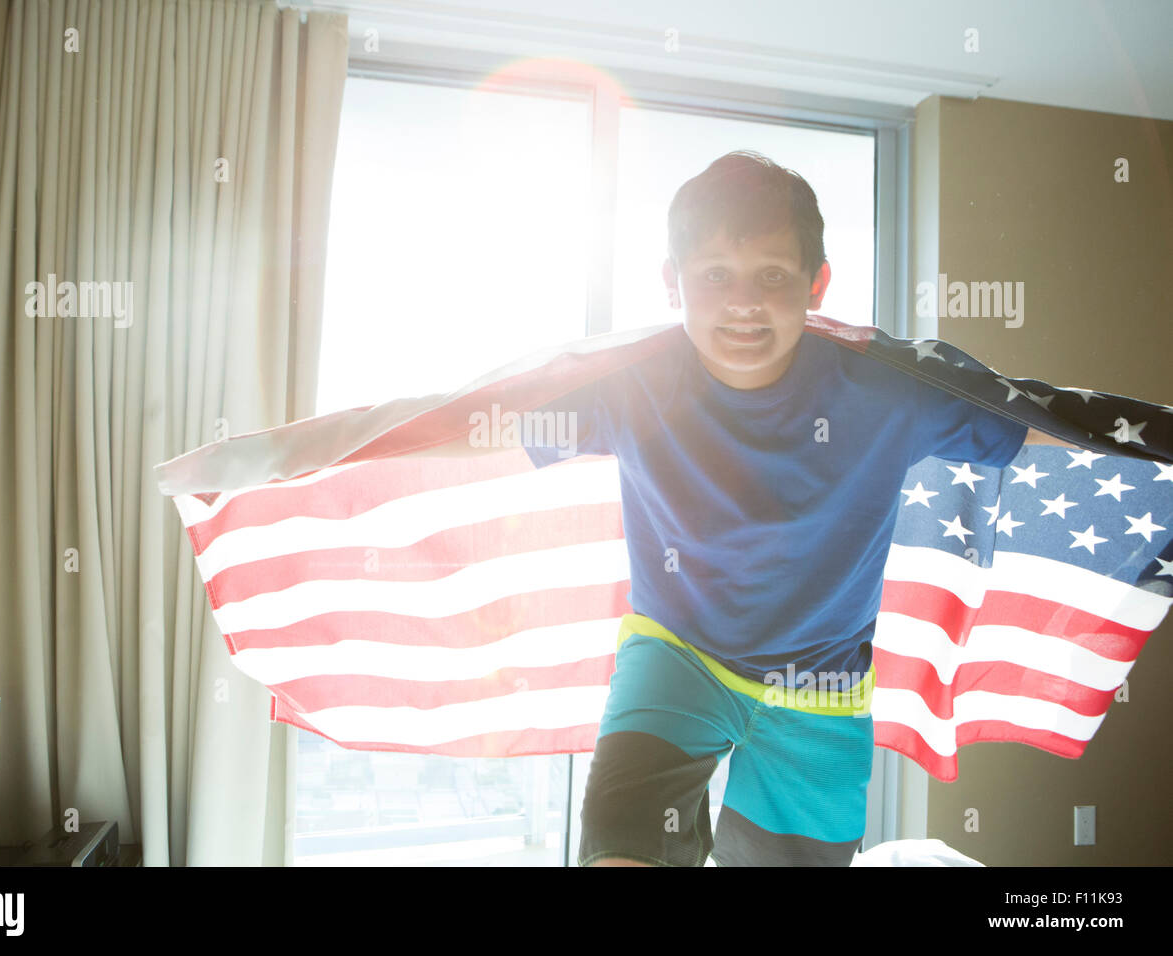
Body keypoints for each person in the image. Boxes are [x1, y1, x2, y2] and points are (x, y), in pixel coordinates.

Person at [411, 151, 1072, 866]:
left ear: (817, 284)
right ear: (673, 283)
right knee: (621, 850)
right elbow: (492, 429)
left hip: (819, 684)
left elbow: (1040, 423)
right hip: (677, 655)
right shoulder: (633, 386)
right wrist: (349, 446)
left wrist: (1146, 441)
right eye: (715, 275)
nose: (744, 303)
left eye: (773, 276)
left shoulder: (888, 391)